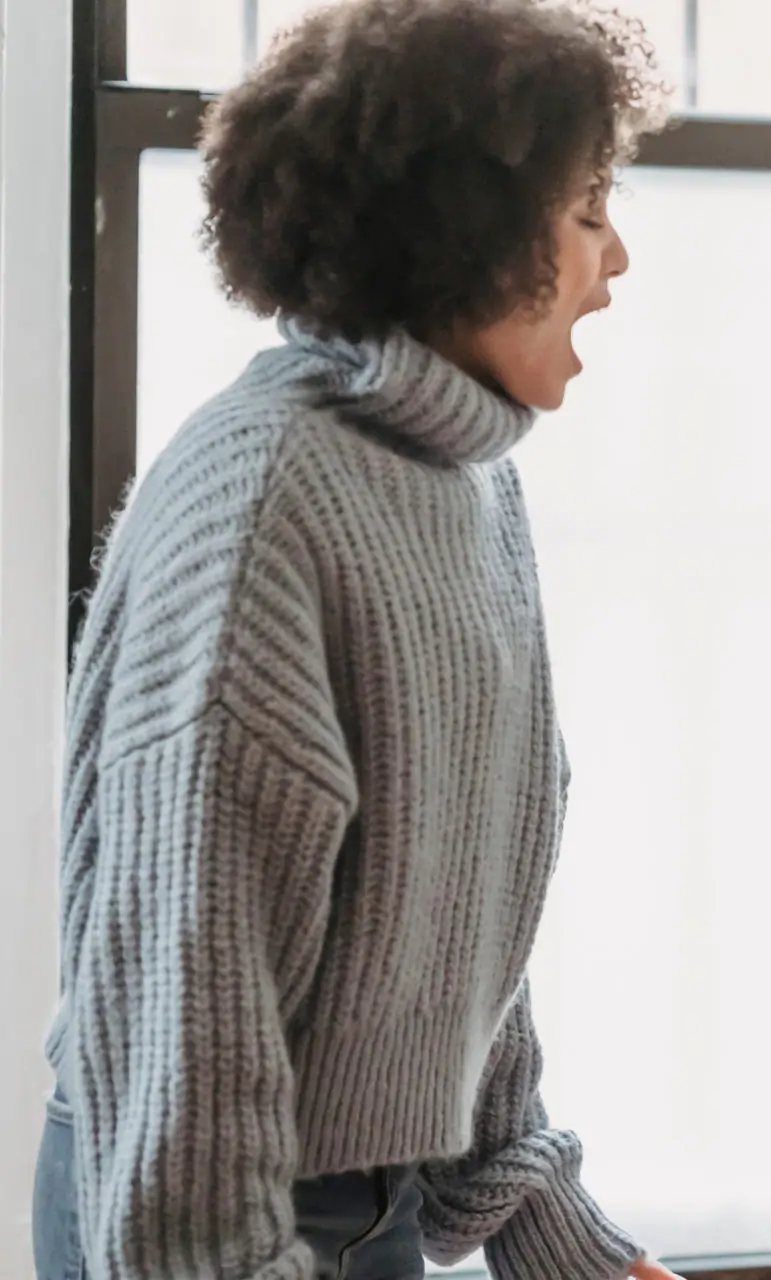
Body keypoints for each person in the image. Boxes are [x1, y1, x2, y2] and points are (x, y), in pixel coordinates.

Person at [33, 0, 684, 1276]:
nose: (618, 262)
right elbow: (185, 1014)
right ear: (473, 234)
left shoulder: (463, 473)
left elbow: (436, 910)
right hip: (203, 1216)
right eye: (590, 207)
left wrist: (551, 1229)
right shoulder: (264, 503)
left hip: (354, 1198)